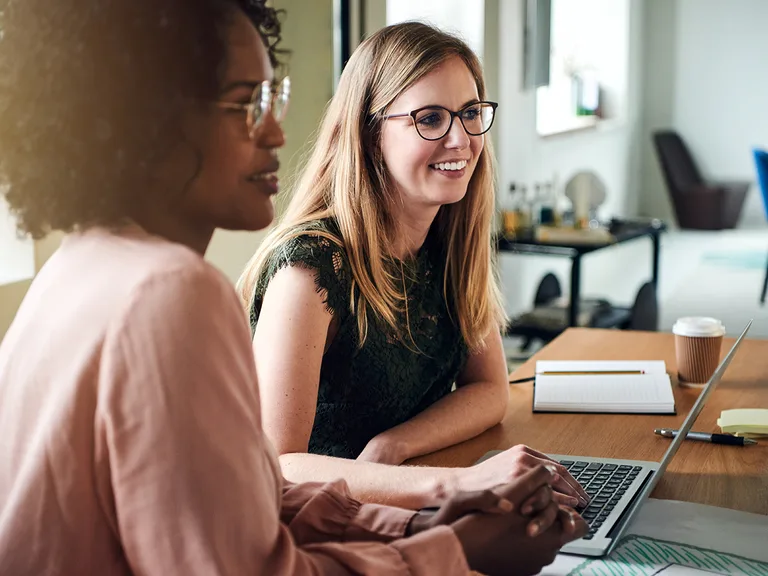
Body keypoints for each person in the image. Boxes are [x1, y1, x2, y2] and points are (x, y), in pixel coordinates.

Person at [0, 1, 587, 574]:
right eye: (244, 105)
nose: (278, 131)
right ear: (147, 120)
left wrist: (418, 525)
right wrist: (455, 551)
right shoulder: (171, 292)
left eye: (270, 99)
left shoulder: (79, 265)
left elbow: (252, 503)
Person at [239, 22, 589, 510]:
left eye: (470, 113)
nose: (460, 139)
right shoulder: (312, 266)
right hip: (323, 528)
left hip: (402, 504)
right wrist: (457, 484)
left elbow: (490, 390)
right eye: (429, 119)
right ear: (369, 131)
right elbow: (276, 463)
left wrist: (395, 445)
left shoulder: (452, 235)